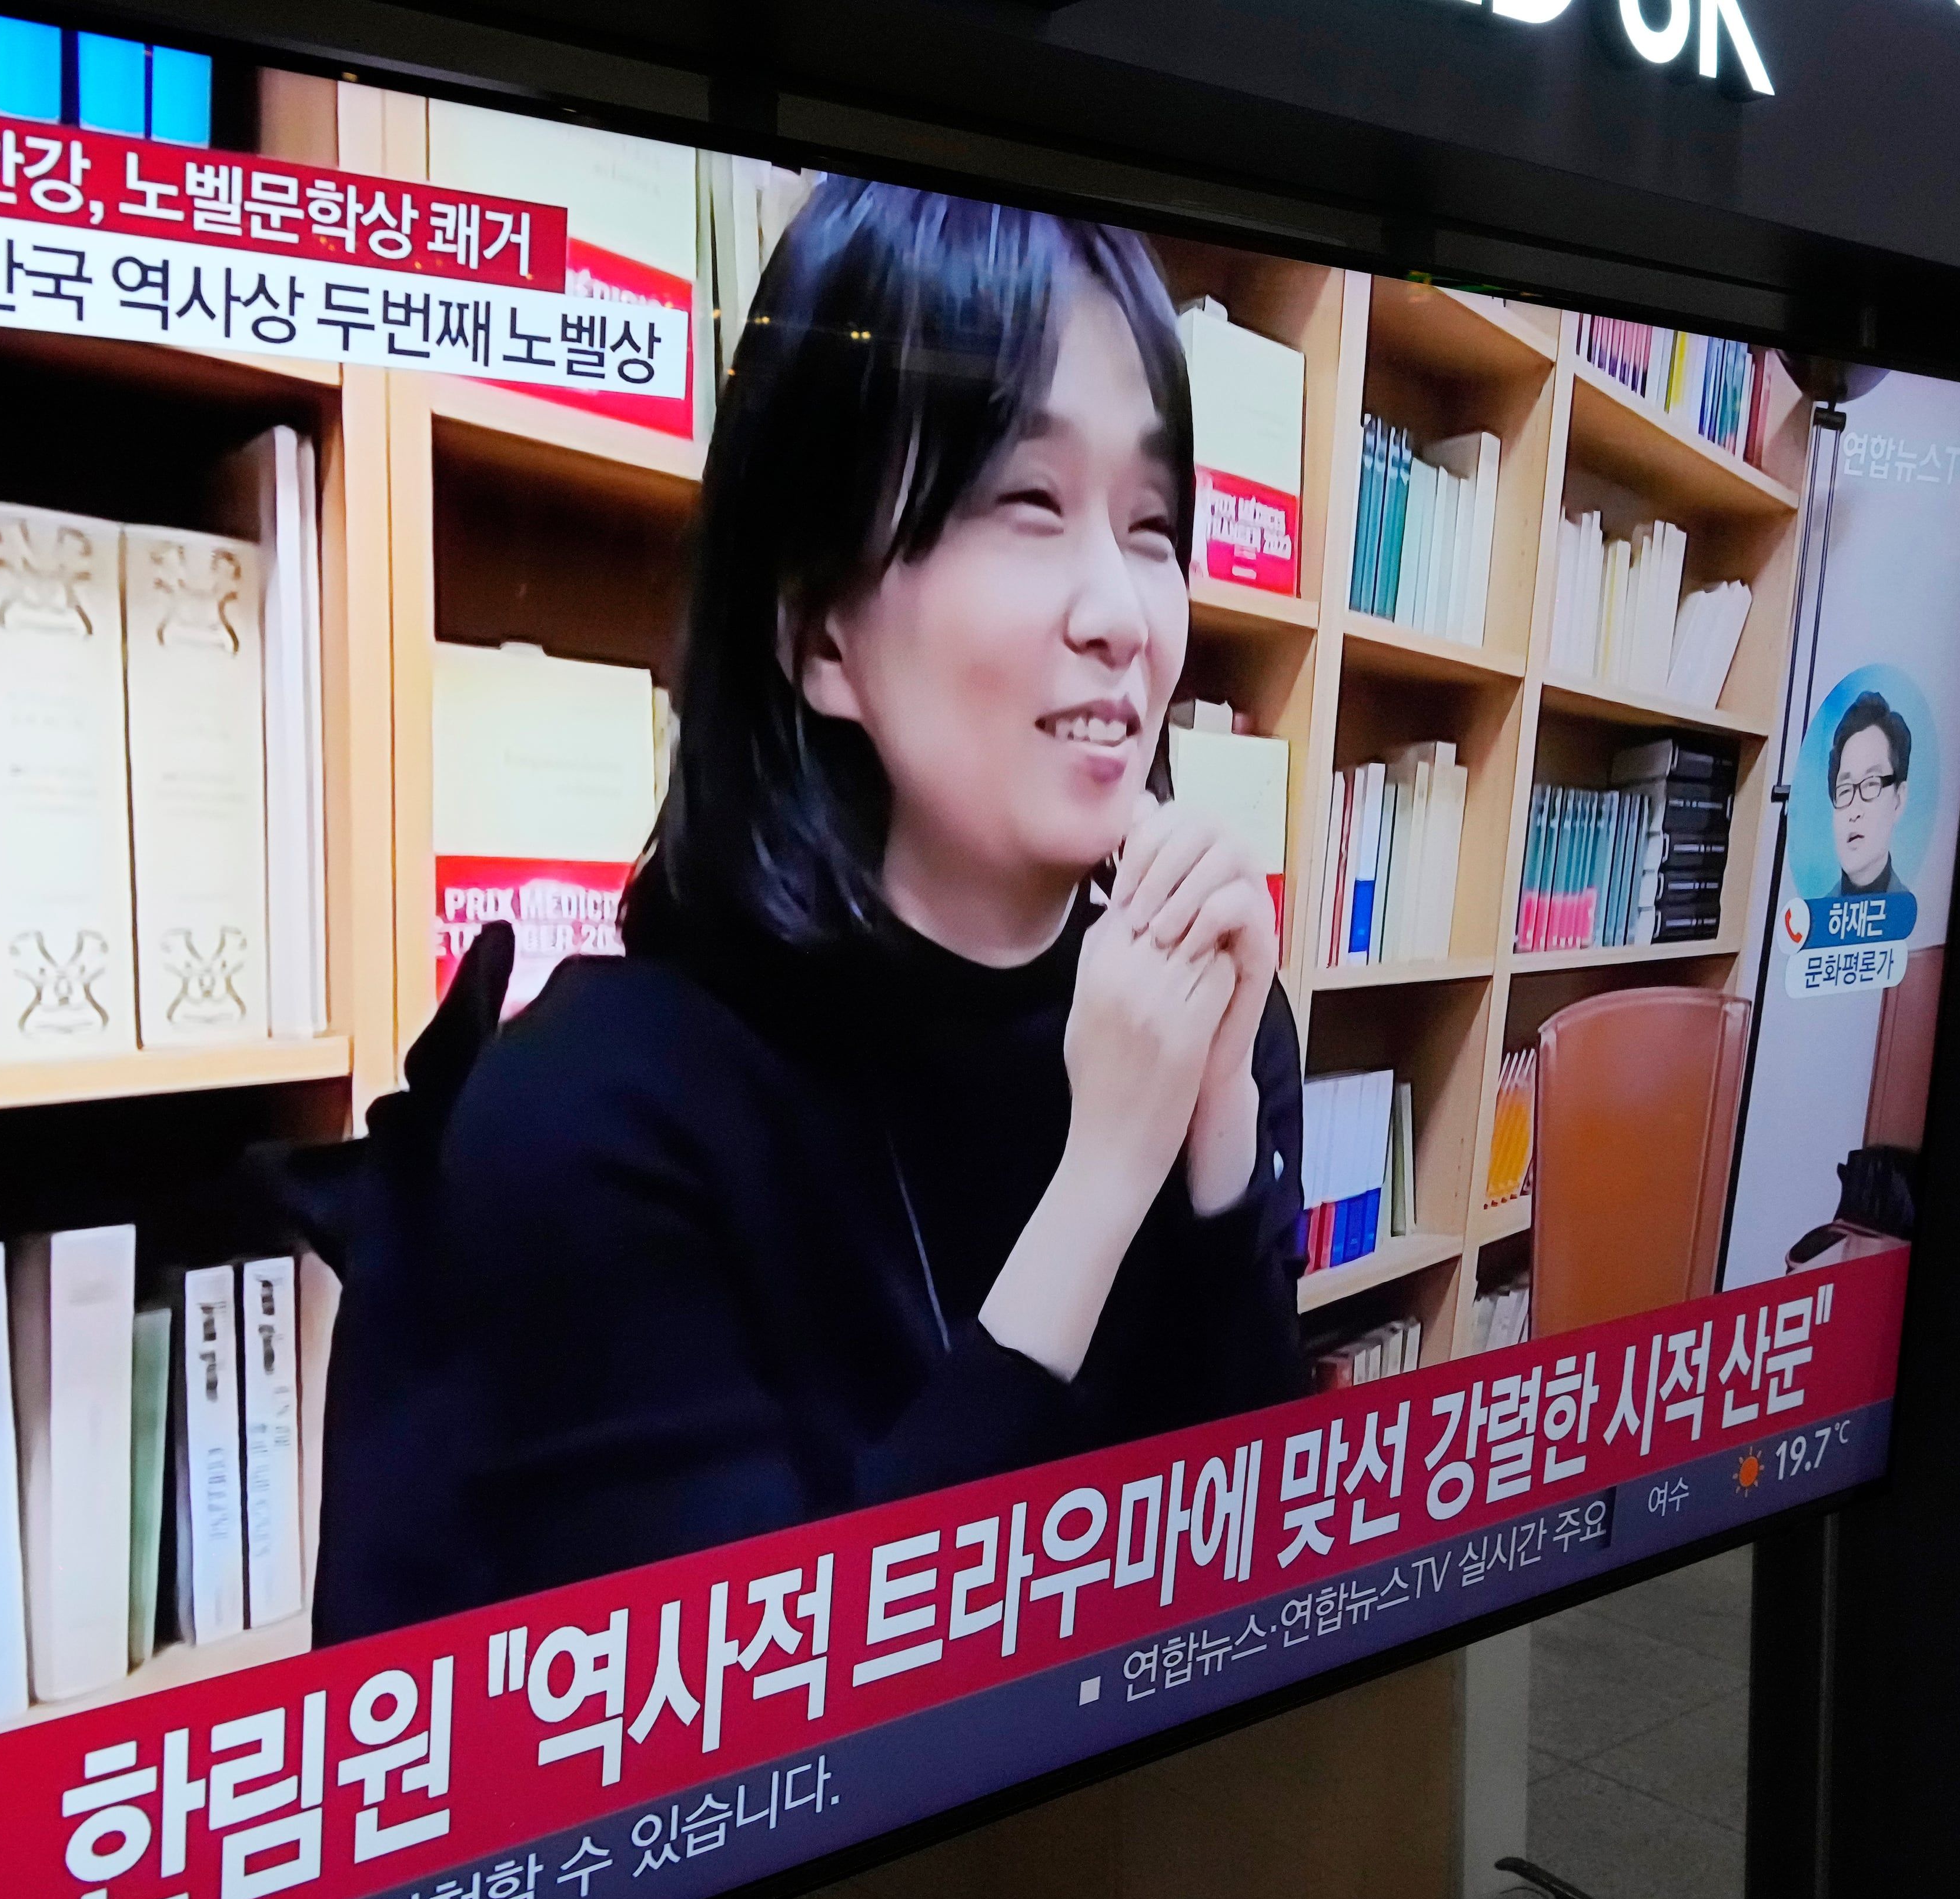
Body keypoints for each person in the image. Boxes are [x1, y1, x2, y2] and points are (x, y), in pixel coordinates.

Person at [307, 182, 1306, 1641]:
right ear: (818, 630)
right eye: (1028, 503)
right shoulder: (589, 1120)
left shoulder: (1202, 1010)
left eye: (1153, 524)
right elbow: (767, 1732)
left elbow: (1258, 1598)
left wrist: (1215, 1135)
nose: (1125, 614)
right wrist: (1103, 1180)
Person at [1829, 691, 1911, 897]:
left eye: (1870, 785)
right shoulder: (1816, 918)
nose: (1854, 811)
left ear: (1898, 801)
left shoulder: (1910, 916)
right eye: (1845, 790)